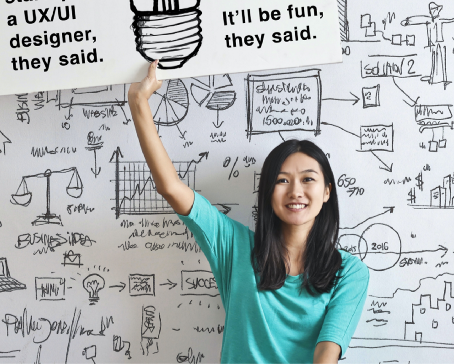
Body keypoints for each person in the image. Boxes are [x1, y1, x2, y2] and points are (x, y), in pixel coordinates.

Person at [129, 61, 369, 364]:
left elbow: (327, 354)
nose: (295, 191)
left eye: (308, 179)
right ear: (268, 192)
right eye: (282, 180)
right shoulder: (234, 247)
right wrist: (138, 102)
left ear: (326, 192)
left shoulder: (349, 272)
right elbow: (171, 188)